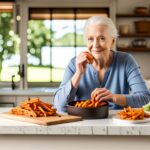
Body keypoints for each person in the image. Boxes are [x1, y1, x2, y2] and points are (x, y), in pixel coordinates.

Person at [54, 16, 150, 112]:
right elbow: (59, 106)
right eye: (90, 39)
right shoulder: (74, 63)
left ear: (112, 41)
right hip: (83, 123)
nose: (96, 45)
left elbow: (146, 99)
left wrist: (113, 97)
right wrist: (78, 73)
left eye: (102, 38)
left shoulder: (126, 61)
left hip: (117, 124)